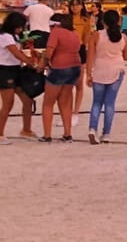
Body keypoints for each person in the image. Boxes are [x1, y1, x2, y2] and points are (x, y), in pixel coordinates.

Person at [85, 9, 127, 144]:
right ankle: (106, 134)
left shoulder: (96, 35)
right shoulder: (123, 37)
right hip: (116, 71)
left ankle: (92, 129)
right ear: (118, 21)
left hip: (99, 70)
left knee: (96, 102)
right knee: (110, 103)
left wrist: (88, 73)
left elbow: (90, 56)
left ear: (103, 21)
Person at [40, 13, 82, 142]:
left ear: (54, 25)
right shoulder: (74, 34)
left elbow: (49, 53)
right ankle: (67, 134)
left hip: (59, 68)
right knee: (65, 102)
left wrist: (42, 64)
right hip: (74, 68)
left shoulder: (56, 32)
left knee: (48, 103)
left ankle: (47, 135)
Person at [0, 12, 38, 143]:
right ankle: (0, 133)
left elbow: (20, 53)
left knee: (27, 99)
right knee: (8, 103)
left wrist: (32, 57)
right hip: (5, 71)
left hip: (16, 70)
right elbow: (16, 53)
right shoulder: (5, 37)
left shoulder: (15, 36)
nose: (21, 29)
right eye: (20, 26)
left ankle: (26, 130)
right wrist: (31, 62)